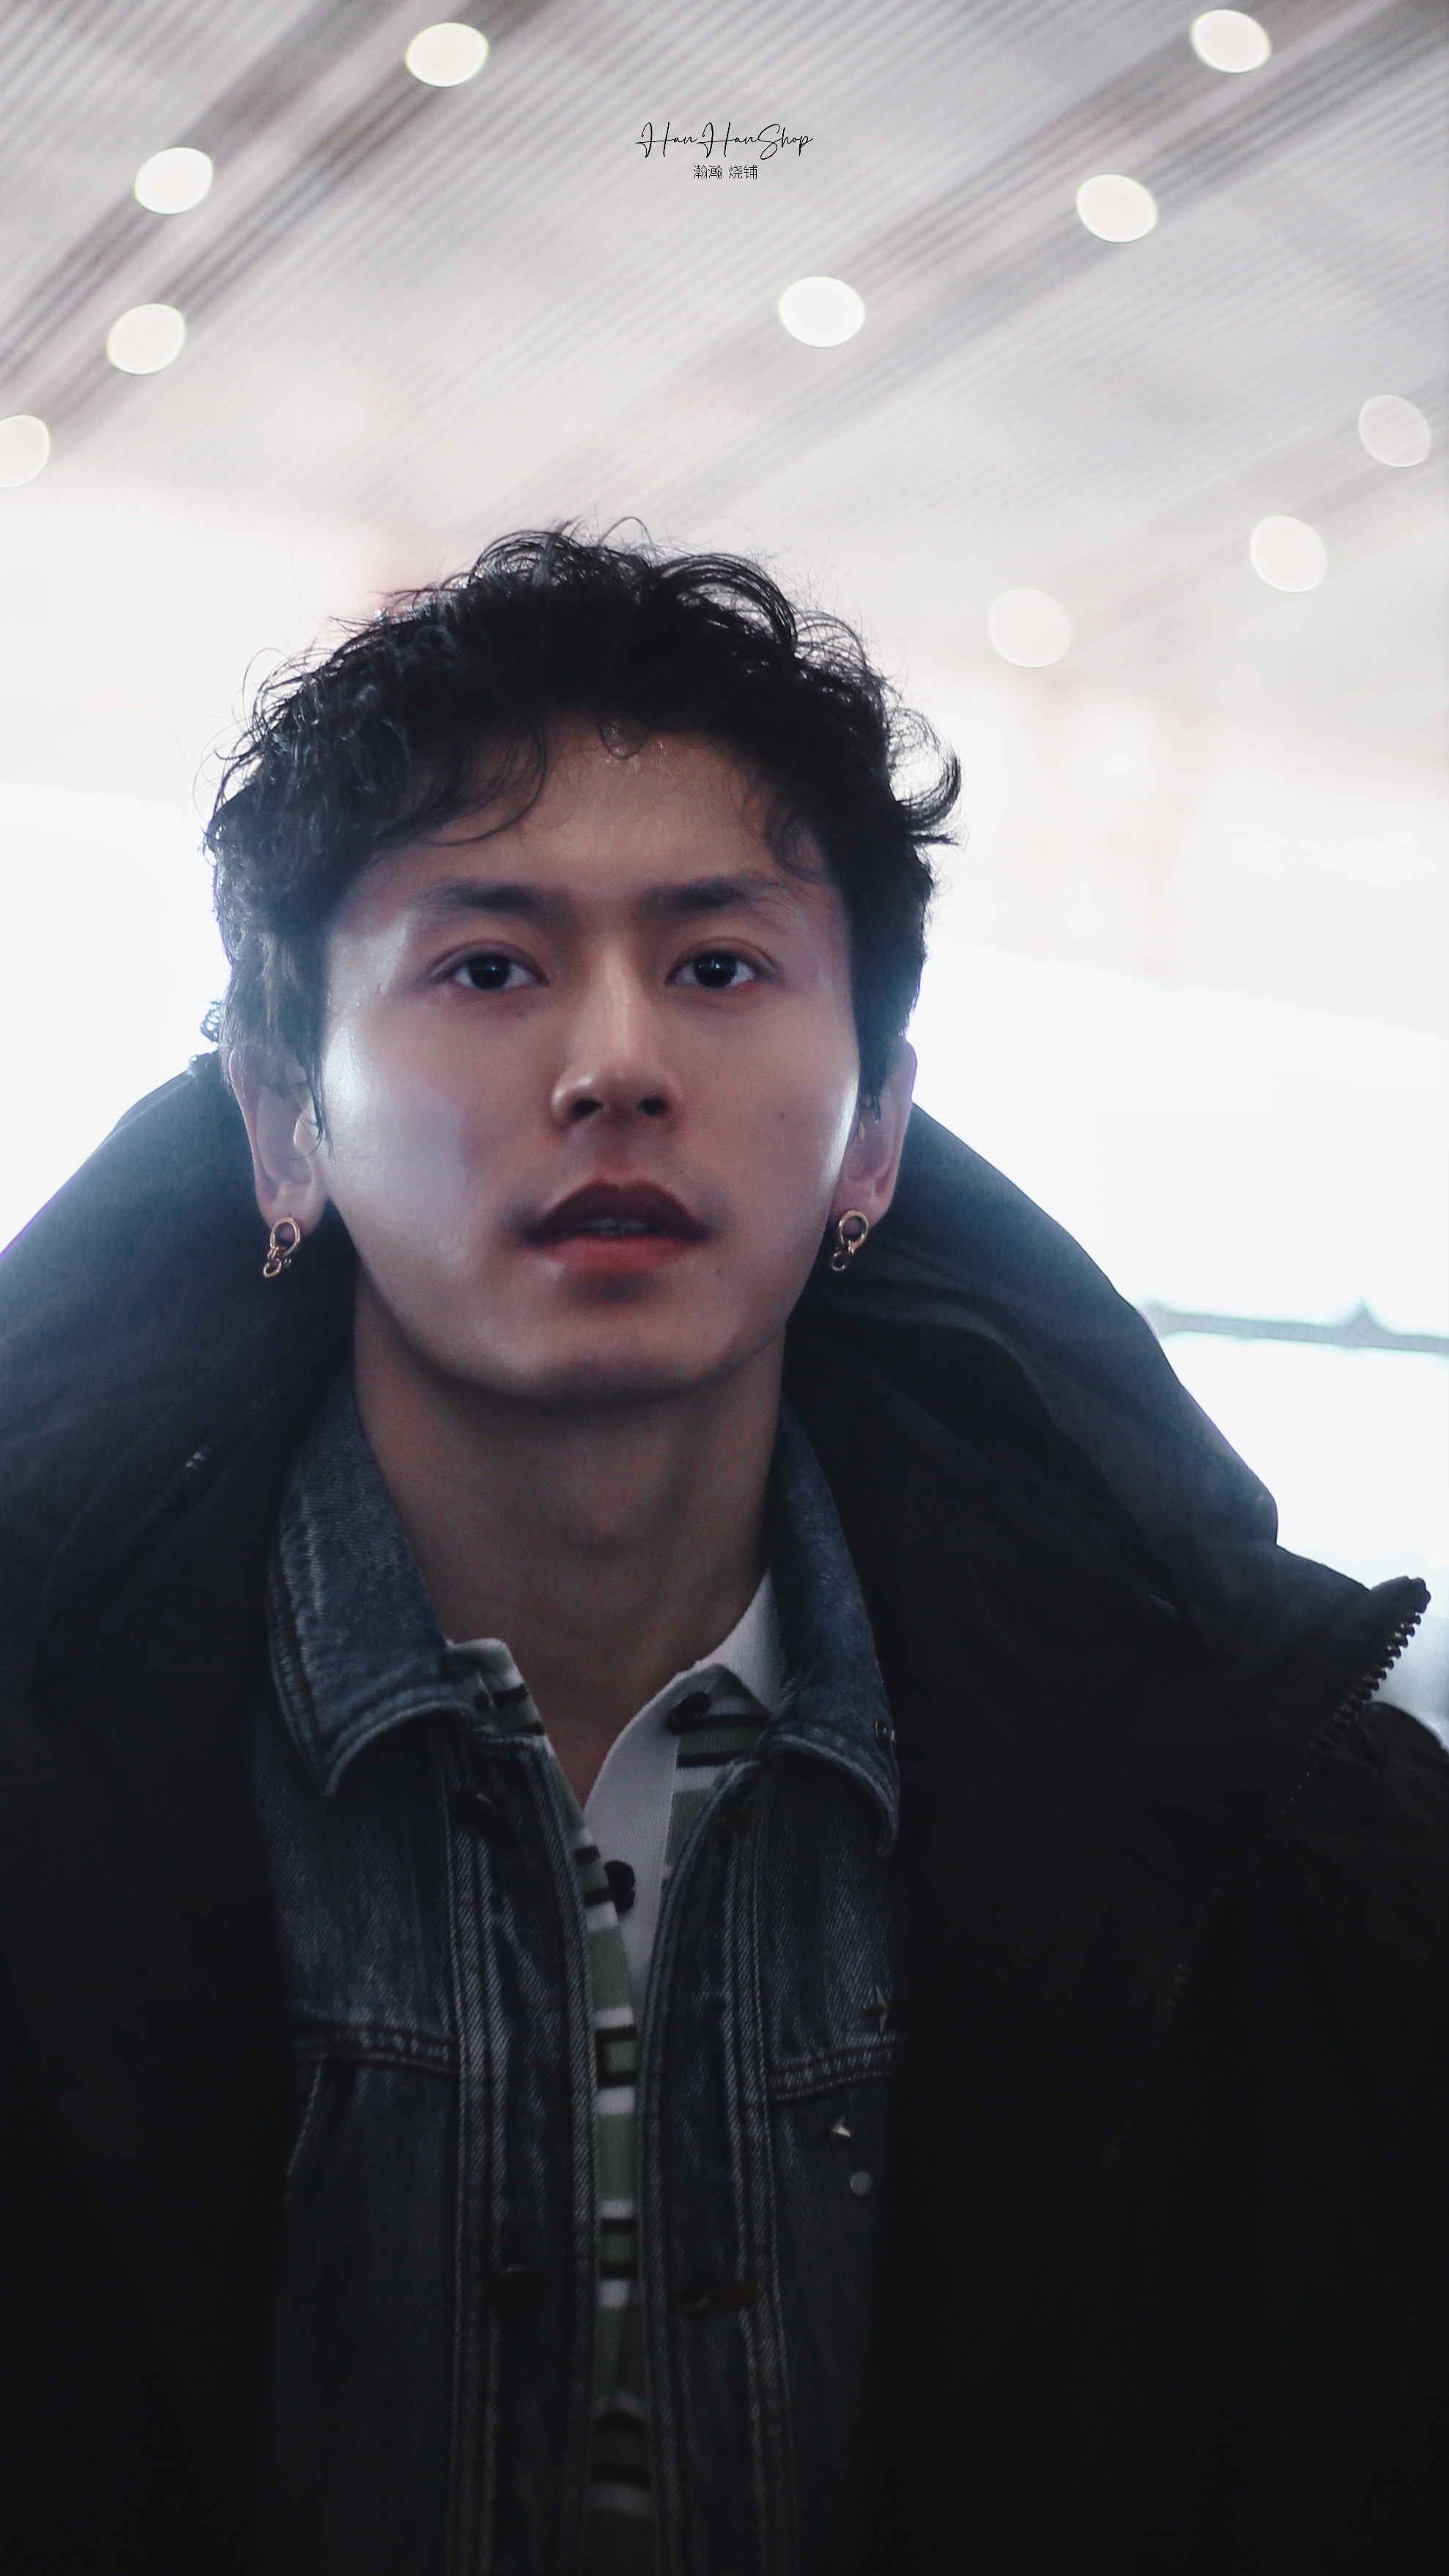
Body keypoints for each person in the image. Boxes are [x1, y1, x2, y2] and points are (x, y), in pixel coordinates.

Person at [0, 530, 1442, 2576]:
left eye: (718, 966)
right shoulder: (53, 1763)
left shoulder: (1273, 1846)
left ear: (876, 1131)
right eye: (487, 967)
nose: (616, 1065)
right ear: (281, 1120)